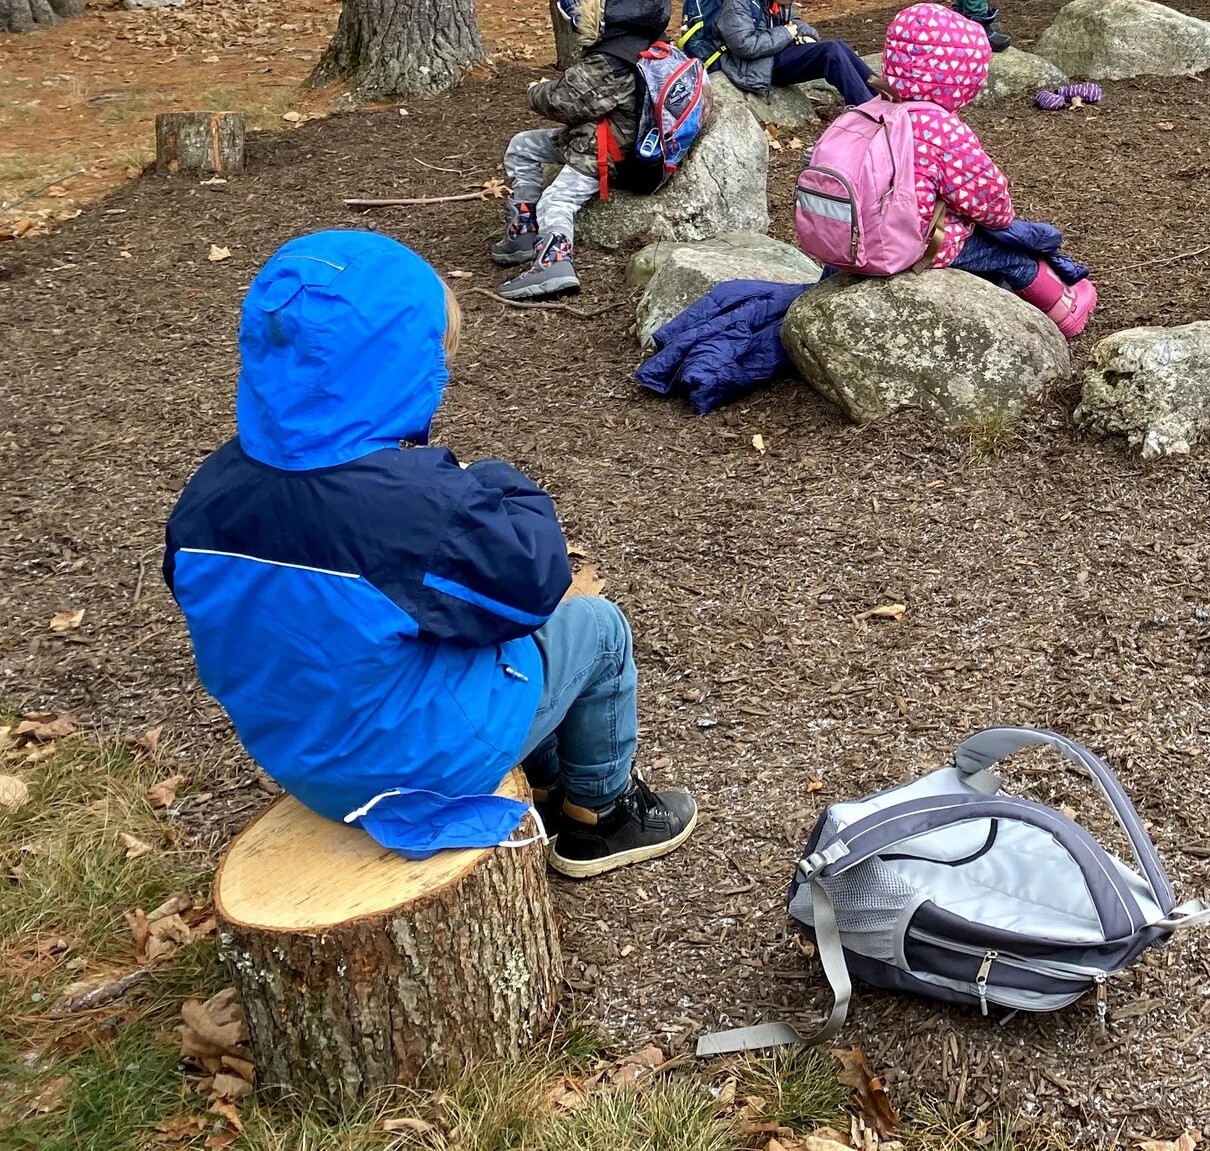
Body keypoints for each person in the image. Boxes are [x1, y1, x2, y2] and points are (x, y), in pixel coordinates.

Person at [164, 231, 698, 878]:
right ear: (400, 370)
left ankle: (549, 778)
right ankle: (601, 819)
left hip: (299, 755)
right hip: (416, 767)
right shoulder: (413, 508)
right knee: (597, 628)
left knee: (420, 623)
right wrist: (491, 480)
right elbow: (534, 582)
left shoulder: (209, 493)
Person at [871, 3, 1095, 336]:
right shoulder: (939, 129)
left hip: (855, 239)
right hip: (910, 246)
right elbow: (988, 200)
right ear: (957, 76)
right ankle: (1065, 309)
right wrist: (1004, 223)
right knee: (1009, 254)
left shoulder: (868, 111)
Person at [494, 0, 673, 301]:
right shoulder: (649, 41)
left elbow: (566, 102)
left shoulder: (613, 59)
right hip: (614, 137)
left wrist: (535, 90)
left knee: (556, 200)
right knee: (522, 146)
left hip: (606, 151)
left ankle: (554, 264)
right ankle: (523, 232)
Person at [684, 0, 877, 106]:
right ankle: (866, 109)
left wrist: (807, 35)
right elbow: (745, 46)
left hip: (772, 54)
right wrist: (786, 33)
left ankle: (881, 95)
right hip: (753, 66)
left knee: (838, 45)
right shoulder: (737, 4)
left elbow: (797, 23)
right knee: (830, 52)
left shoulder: (778, 3)